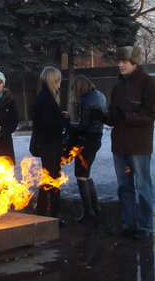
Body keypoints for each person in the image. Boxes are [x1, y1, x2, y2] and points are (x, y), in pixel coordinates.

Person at [106, 46, 155, 239]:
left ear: (135, 63)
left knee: (143, 186)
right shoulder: (118, 86)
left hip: (139, 146)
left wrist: (127, 116)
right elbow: (114, 116)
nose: (121, 64)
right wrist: (104, 117)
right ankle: (128, 223)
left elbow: (150, 114)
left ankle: (145, 227)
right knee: (124, 186)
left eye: (125, 61)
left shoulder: (149, 84)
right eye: (119, 61)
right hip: (119, 146)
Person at [31, 66, 70, 223]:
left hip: (50, 143)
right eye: (58, 79)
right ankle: (53, 212)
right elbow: (47, 124)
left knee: (50, 177)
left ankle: (45, 210)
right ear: (53, 80)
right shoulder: (46, 97)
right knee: (51, 177)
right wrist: (63, 121)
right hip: (49, 144)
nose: (60, 83)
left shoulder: (46, 96)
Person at [67, 75, 107, 223]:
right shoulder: (99, 95)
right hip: (96, 139)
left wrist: (68, 126)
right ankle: (95, 207)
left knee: (81, 175)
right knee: (87, 174)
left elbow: (83, 126)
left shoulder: (86, 101)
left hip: (87, 142)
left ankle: (88, 211)